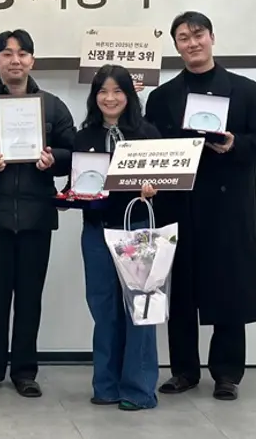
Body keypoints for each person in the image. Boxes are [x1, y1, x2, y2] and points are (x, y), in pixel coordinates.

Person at [146, 11, 256, 402]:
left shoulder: (245, 89)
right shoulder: (162, 96)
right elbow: (149, 147)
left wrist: (236, 144)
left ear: (212, 37)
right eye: (183, 38)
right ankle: (184, 370)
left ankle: (227, 374)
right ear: (176, 46)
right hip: (178, 206)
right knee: (181, 292)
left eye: (198, 34)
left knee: (229, 290)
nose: (192, 43)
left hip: (228, 208)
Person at [0, 29, 76, 398]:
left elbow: (74, 155)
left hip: (36, 218)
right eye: (7, 53)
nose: (16, 60)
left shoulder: (53, 106)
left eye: (23, 53)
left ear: (32, 60)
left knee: (29, 300)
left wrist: (53, 159)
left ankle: (25, 371)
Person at [73, 64, 161, 411]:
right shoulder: (84, 137)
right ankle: (106, 385)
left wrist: (154, 190)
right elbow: (77, 184)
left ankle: (139, 390)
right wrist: (71, 195)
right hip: (96, 231)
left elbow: (168, 182)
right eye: (102, 92)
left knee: (140, 310)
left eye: (118, 91)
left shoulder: (148, 134)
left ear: (129, 95)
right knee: (103, 308)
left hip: (137, 229)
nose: (110, 98)